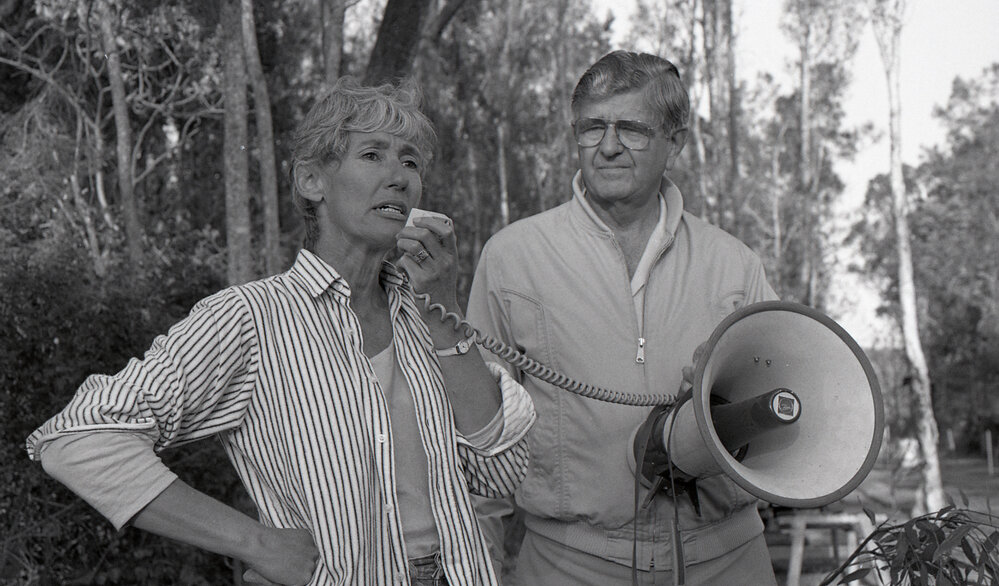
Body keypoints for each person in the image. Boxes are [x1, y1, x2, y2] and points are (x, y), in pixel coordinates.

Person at [25, 76, 535, 586]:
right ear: (312, 181)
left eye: (410, 162)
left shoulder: (429, 319)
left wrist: (444, 311)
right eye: (372, 155)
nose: (399, 177)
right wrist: (254, 542)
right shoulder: (249, 318)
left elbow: (499, 475)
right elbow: (78, 439)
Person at [467, 51, 779, 585]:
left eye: (631, 129)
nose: (608, 146)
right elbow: (481, 431)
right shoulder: (511, 257)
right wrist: (478, 571)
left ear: (674, 144)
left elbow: (782, 412)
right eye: (593, 127)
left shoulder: (735, 264)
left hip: (727, 560)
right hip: (567, 564)